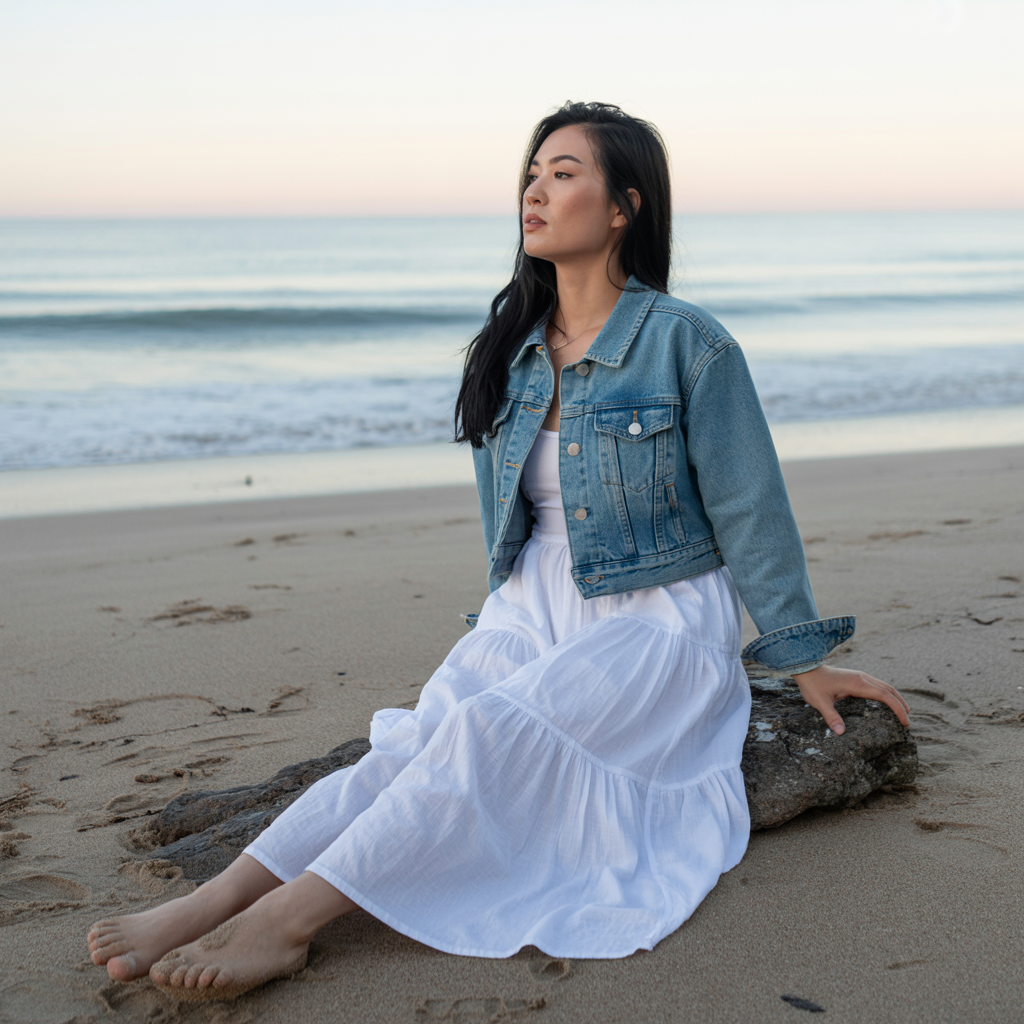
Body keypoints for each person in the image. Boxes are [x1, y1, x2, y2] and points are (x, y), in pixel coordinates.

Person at [87, 101, 909, 1001]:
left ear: (624, 206)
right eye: (531, 173)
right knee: (415, 747)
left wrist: (801, 658)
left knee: (486, 733)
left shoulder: (687, 343)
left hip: (657, 616)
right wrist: (497, 625)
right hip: (531, 604)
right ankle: (213, 899)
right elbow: (505, 519)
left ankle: (286, 924)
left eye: (564, 174)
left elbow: (749, 504)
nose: (535, 191)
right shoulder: (511, 352)